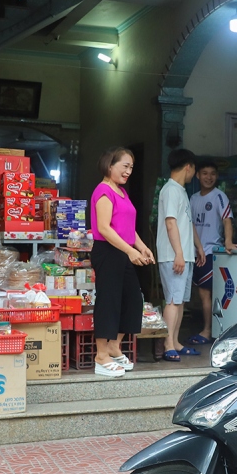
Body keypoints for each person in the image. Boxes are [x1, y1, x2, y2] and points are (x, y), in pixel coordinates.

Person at [90, 147, 155, 378]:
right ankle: (101, 356)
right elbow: (105, 228)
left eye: (131, 168)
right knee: (109, 302)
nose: (129, 172)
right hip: (108, 251)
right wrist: (129, 250)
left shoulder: (122, 192)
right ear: (110, 165)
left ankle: (113, 347)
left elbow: (127, 227)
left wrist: (142, 247)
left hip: (123, 251)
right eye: (125, 166)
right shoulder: (104, 190)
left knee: (133, 300)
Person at [156, 148, 204, 362]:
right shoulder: (171, 190)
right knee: (173, 300)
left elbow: (187, 223)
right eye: (194, 170)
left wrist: (198, 247)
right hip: (173, 254)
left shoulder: (181, 191)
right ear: (188, 167)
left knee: (181, 301)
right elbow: (170, 222)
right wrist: (178, 253)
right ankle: (168, 344)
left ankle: (175, 341)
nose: (194, 174)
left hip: (184, 255)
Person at [188, 159, 237, 345]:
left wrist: (228, 242)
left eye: (212, 174)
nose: (208, 177)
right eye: (204, 173)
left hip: (210, 252)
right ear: (197, 175)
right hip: (194, 252)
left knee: (206, 294)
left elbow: (227, 220)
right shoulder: (193, 199)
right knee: (202, 295)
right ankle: (208, 329)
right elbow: (190, 224)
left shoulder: (219, 196)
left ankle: (208, 330)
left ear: (216, 176)